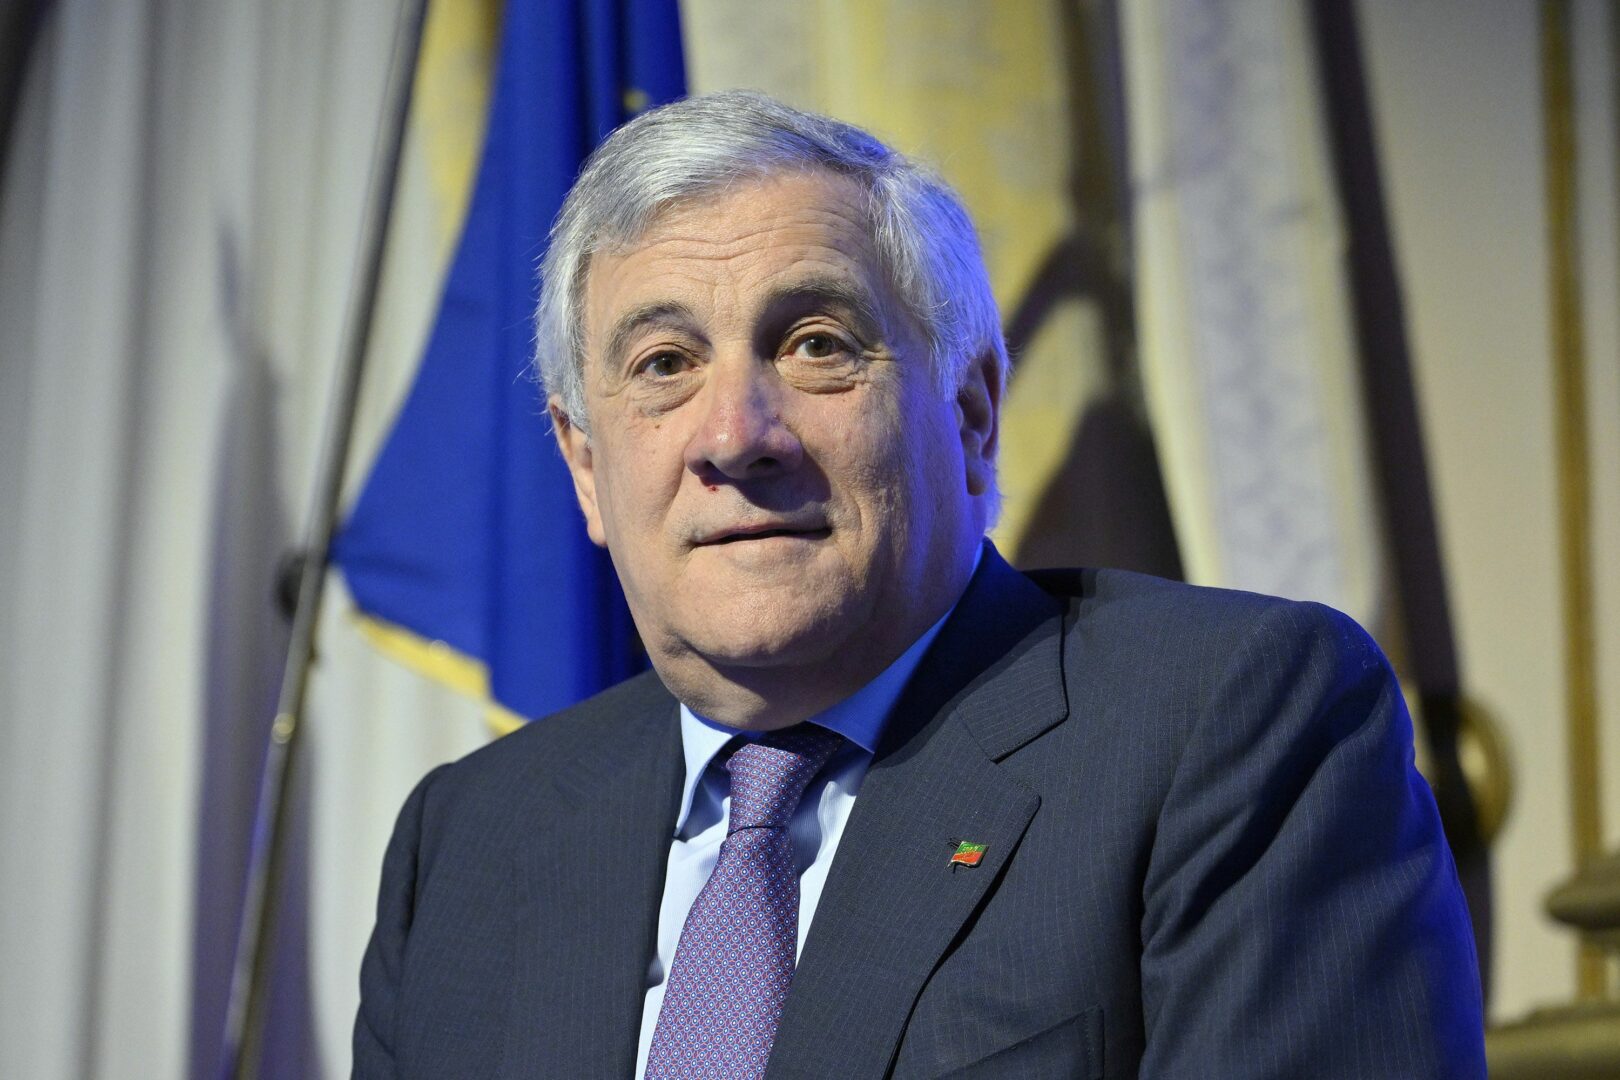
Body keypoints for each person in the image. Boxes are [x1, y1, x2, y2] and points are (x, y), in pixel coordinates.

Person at [354, 90, 1484, 1078]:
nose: (736, 435)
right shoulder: (468, 843)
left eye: (816, 343)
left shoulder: (1228, 724)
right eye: (664, 364)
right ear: (585, 467)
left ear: (973, 415)